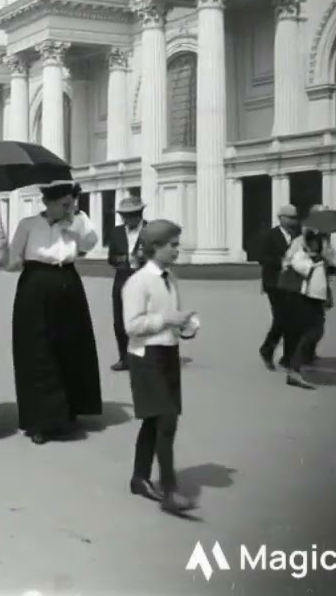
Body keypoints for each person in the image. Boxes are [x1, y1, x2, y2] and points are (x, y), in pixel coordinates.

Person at [7, 180, 103, 445]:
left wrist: (72, 223)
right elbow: (13, 261)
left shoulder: (76, 222)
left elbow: (90, 243)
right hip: (35, 285)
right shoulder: (28, 224)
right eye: (63, 204)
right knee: (37, 351)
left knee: (70, 346)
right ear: (47, 203)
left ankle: (68, 412)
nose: (69, 207)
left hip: (68, 282)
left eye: (71, 203)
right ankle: (39, 420)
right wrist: (4, 250)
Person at [121, 219, 200, 515]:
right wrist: (168, 320)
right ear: (155, 247)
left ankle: (139, 478)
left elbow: (172, 316)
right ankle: (170, 491)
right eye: (173, 245)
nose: (177, 250)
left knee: (155, 420)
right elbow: (131, 326)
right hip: (145, 357)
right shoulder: (138, 282)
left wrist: (186, 325)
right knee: (166, 420)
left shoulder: (171, 278)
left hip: (168, 354)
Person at [285, 231, 332, 390]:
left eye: (318, 243)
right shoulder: (301, 256)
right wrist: (317, 261)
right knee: (309, 332)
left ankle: (297, 364)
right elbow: (303, 269)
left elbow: (325, 278)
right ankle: (294, 368)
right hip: (304, 299)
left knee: (316, 331)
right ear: (307, 243)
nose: (316, 246)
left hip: (317, 299)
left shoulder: (319, 259)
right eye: (313, 242)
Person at [257, 204, 301, 370]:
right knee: (282, 318)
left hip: (293, 283)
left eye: (295, 218)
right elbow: (262, 257)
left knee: (293, 319)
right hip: (274, 283)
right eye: (290, 218)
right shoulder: (270, 235)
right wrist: (281, 261)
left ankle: (288, 357)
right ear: (281, 218)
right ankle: (267, 349)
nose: (293, 221)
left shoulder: (298, 236)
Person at [106, 196, 147, 372]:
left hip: (144, 279)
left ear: (139, 214)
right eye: (124, 215)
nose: (127, 219)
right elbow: (111, 258)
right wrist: (123, 260)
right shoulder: (116, 232)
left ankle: (144, 359)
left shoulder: (150, 230)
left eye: (131, 215)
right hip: (122, 278)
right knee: (120, 321)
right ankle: (124, 358)